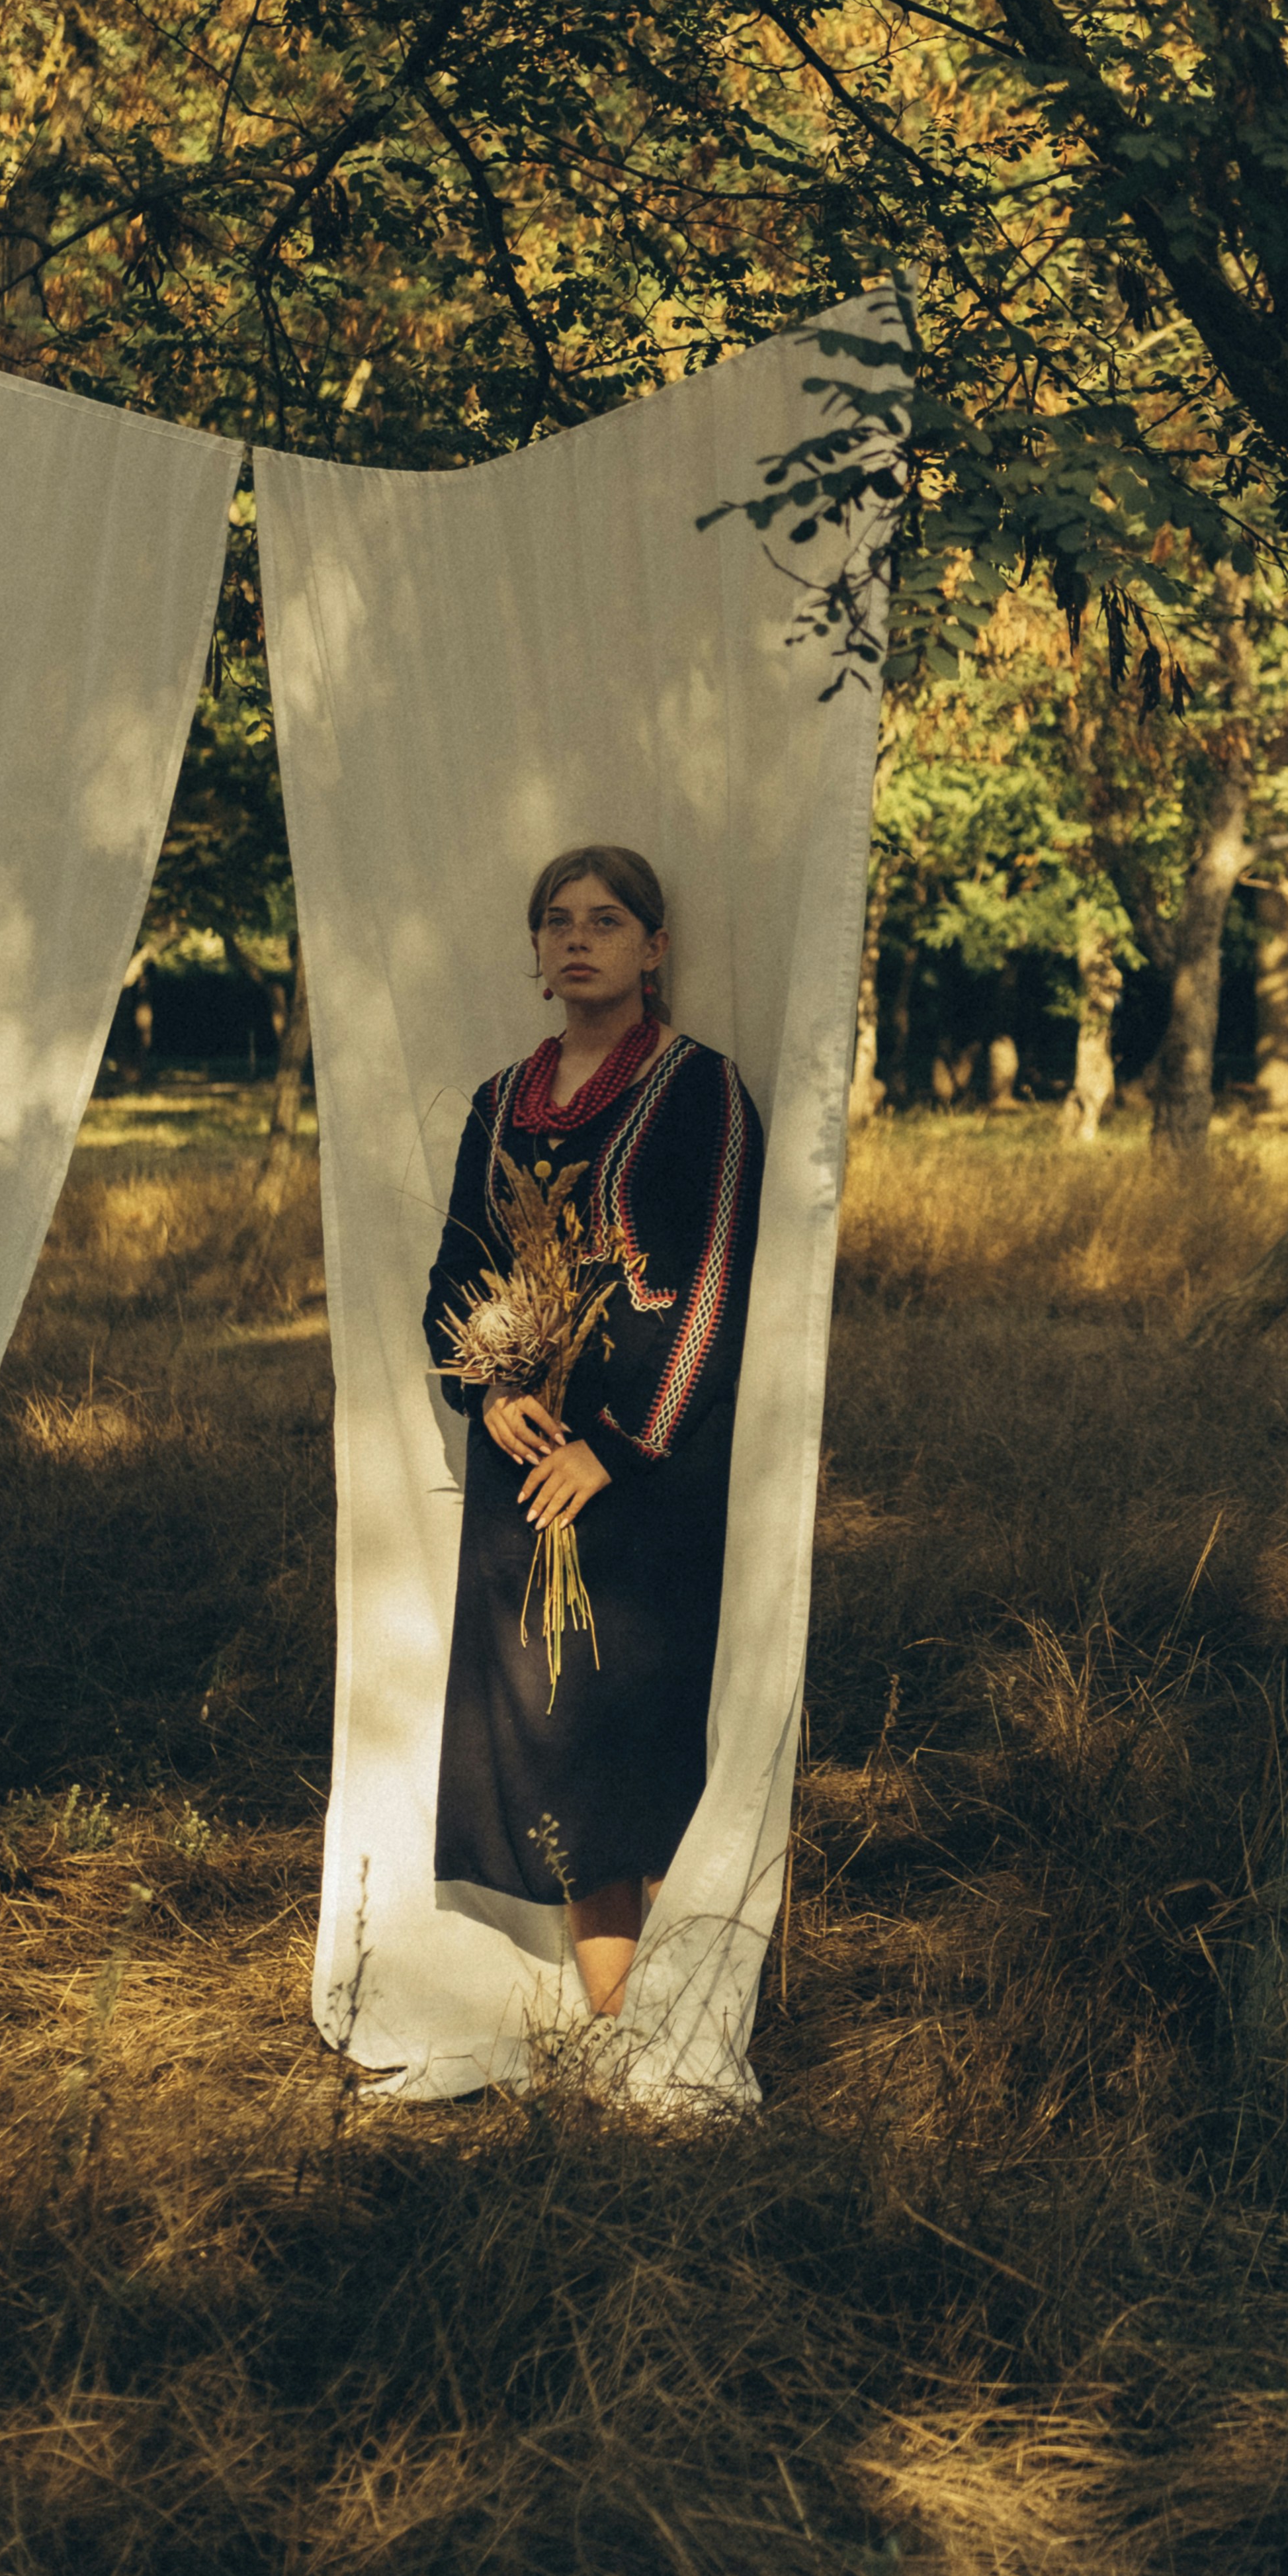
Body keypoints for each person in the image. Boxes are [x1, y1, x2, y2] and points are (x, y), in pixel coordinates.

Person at [423, 846, 763, 2018]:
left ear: (654, 948)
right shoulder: (496, 1103)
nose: (578, 940)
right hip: (526, 1468)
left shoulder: (699, 1092)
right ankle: (616, 2021)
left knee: (645, 1735)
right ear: (535, 953)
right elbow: (456, 1274)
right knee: (554, 1735)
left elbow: (717, 1287)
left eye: (607, 921)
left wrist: (613, 1450)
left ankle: (686, 2014)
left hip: (648, 1470)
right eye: (557, 923)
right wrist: (487, 1388)